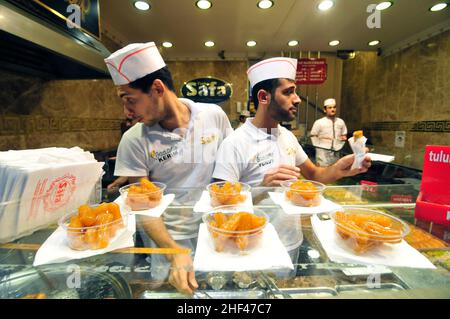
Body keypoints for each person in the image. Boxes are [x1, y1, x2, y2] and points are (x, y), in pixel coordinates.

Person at [104, 42, 232, 295]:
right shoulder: (133, 140)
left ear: (157, 88)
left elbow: (228, 173)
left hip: (215, 233)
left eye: (130, 100)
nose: (127, 111)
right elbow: (145, 208)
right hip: (168, 243)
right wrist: (174, 251)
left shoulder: (213, 115)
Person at [212, 57, 371, 187]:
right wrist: (261, 188)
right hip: (258, 226)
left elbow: (314, 175)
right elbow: (221, 203)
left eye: (295, 92)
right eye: (288, 92)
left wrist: (339, 168)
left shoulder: (287, 136)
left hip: (291, 227)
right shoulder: (234, 143)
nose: (297, 100)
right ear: (263, 97)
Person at [310, 98, 348, 166]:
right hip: (322, 154)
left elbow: (344, 134)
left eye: (334, 107)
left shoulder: (340, 122)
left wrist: (342, 139)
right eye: (330, 108)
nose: (332, 109)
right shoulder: (319, 122)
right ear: (325, 110)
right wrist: (322, 141)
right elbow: (313, 136)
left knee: (335, 173)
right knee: (322, 174)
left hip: (336, 153)